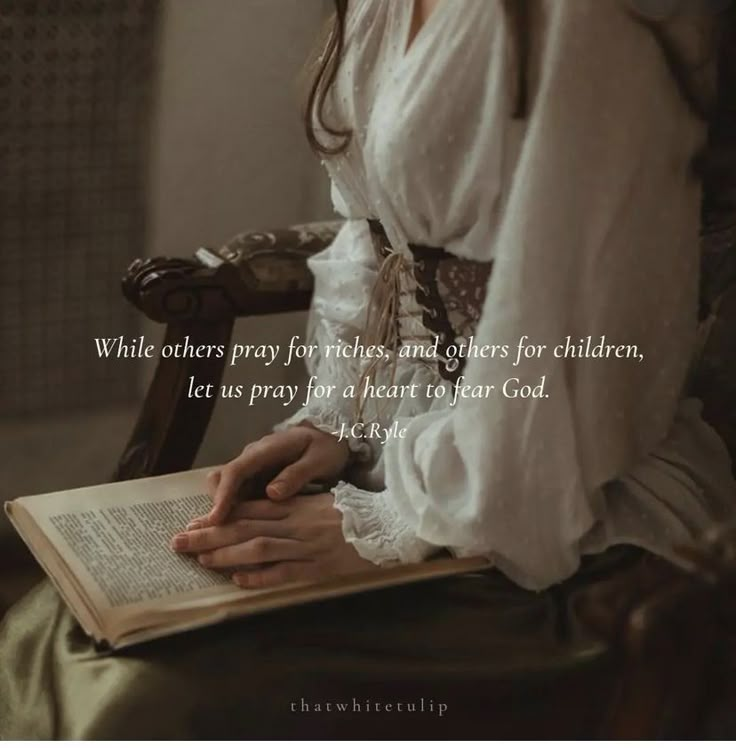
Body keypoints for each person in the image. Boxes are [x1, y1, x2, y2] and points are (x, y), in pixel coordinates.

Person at [2, 0, 735, 739]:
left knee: (138, 705)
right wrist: (341, 418)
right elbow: (375, 239)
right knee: (54, 626)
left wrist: (392, 525)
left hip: (566, 506)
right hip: (415, 451)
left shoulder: (590, 19)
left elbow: (578, 348)